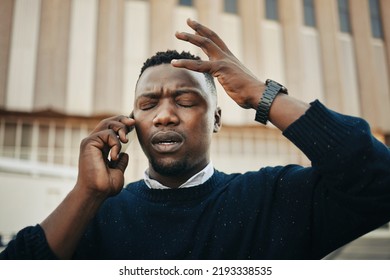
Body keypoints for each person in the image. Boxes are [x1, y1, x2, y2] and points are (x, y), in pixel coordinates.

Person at [1, 19, 390, 260]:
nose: (166, 114)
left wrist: (262, 95)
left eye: (186, 101)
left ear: (216, 119)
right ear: (132, 121)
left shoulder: (272, 199)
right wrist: (85, 195)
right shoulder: (96, 215)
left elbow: (379, 179)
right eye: (148, 103)